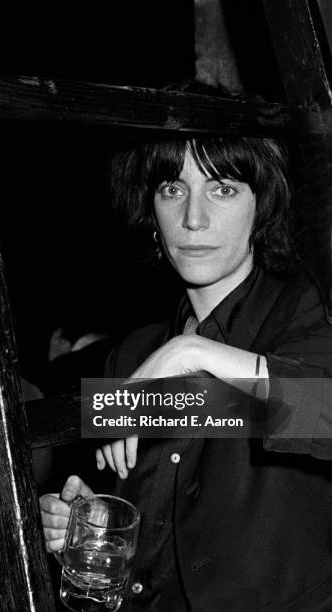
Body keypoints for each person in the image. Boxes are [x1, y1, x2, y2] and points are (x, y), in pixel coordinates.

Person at [40, 135, 332, 611]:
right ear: (151, 212)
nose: (193, 219)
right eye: (172, 190)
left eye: (223, 189)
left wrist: (191, 354)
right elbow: (146, 536)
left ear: (261, 208)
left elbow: (324, 414)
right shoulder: (132, 352)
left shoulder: (308, 308)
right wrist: (86, 527)